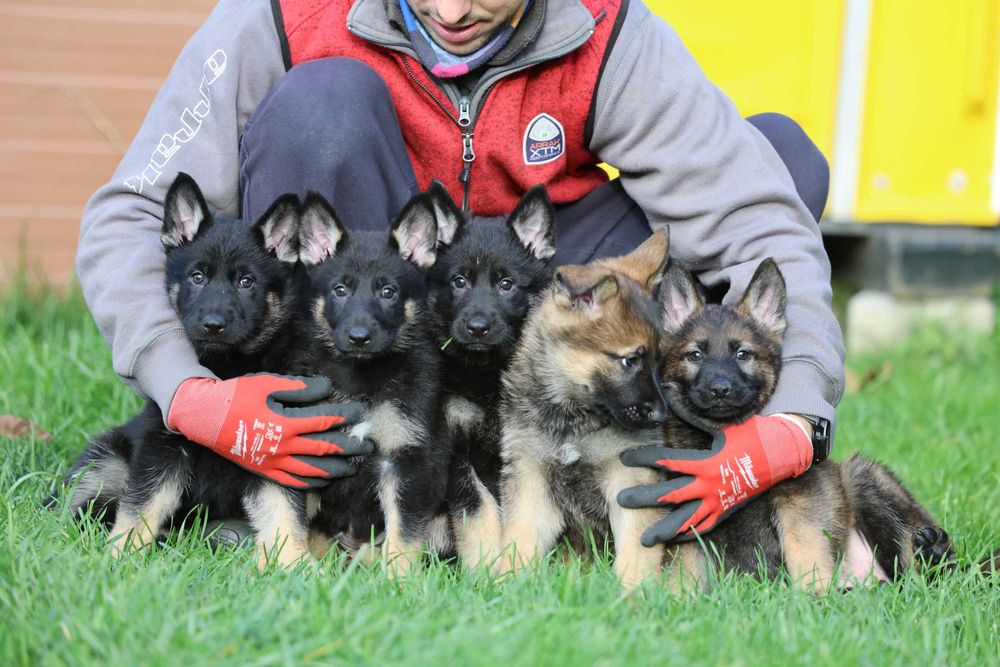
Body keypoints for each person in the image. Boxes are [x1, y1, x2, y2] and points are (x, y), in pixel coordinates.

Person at [77, 0, 845, 545]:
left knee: (781, 159)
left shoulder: (608, 32)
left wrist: (795, 422)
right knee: (322, 102)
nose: (450, 12)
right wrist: (186, 390)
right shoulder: (285, 12)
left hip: (536, 283)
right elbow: (129, 211)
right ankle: (310, 478)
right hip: (376, 295)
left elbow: (761, 221)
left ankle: (637, 446)